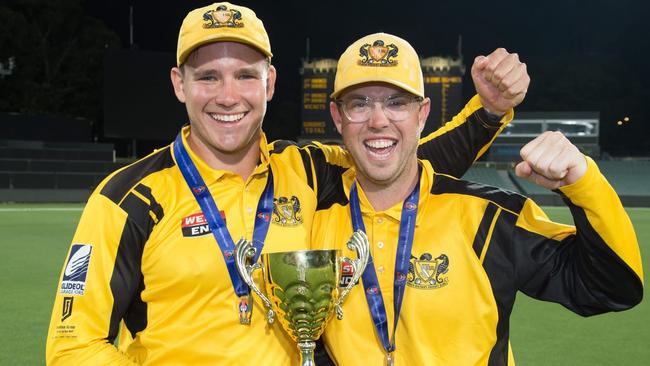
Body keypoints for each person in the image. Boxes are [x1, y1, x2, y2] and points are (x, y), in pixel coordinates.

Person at [45, 3, 529, 365]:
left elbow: (402, 159)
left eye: (246, 76)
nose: (228, 96)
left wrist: (488, 111)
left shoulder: (307, 172)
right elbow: (72, 346)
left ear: (271, 83)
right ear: (179, 84)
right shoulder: (127, 197)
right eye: (208, 77)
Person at [312, 32, 644, 365]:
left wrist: (583, 183)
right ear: (338, 117)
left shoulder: (487, 217)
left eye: (397, 103)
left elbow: (612, 288)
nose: (378, 120)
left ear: (422, 114)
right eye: (359, 103)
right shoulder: (312, 218)